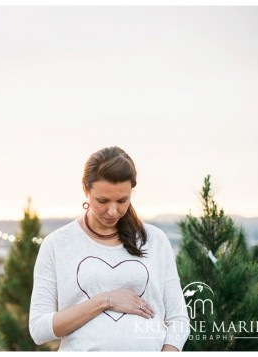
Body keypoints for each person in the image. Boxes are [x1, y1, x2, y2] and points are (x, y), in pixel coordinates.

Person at [29, 146, 190, 351]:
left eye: (122, 201)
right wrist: (105, 300)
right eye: (102, 201)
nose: (113, 211)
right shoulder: (56, 244)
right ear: (86, 190)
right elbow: (38, 329)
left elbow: (179, 320)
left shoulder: (155, 241)